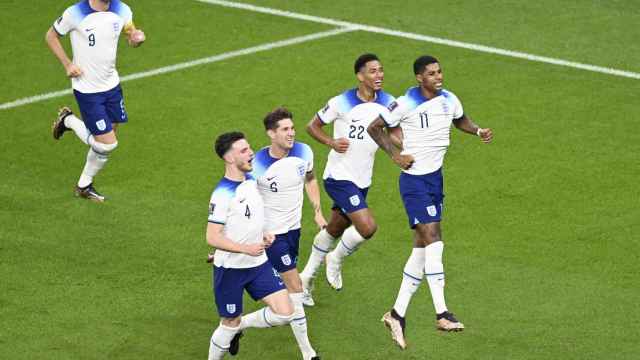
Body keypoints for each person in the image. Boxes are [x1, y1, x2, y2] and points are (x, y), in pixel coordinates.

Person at [368, 55, 493, 349]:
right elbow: (375, 127)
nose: (439, 76)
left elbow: (459, 118)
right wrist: (395, 155)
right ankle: (441, 312)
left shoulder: (449, 99)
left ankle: (396, 315)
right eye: (432, 73)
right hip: (414, 182)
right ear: (419, 78)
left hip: (435, 180)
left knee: (422, 249)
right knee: (434, 240)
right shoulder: (404, 103)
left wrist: (477, 131)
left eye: (440, 71)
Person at [299, 54, 399, 303]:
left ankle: (305, 278)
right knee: (367, 227)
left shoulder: (389, 102)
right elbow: (312, 126)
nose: (379, 75)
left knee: (334, 228)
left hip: (362, 180)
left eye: (381, 70)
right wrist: (331, 142)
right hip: (339, 177)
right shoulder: (342, 102)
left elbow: (396, 132)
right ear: (360, 76)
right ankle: (335, 259)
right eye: (373, 71)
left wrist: (406, 146)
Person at [206, 132, 295, 360]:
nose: (251, 153)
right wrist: (244, 248)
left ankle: (240, 325)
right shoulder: (222, 194)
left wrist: (264, 234)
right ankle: (231, 331)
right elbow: (212, 237)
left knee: (285, 313)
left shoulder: (251, 182)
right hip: (231, 270)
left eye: (249, 148)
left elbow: (251, 217)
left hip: (258, 263)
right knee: (228, 322)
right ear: (229, 158)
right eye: (244, 151)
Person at [46, 0, 146, 202]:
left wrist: (135, 38)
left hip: (112, 85)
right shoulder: (75, 12)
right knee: (108, 144)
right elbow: (51, 36)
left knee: (108, 135)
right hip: (87, 89)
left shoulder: (122, 9)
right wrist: (67, 64)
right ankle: (69, 121)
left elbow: (129, 33)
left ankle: (83, 185)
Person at [247, 107, 325, 360]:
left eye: (292, 128)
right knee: (296, 286)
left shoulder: (304, 152)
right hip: (272, 236)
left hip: (294, 231)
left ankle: (236, 326)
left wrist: (317, 211)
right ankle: (308, 353)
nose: (291, 133)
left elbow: (311, 180)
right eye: (285, 129)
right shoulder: (256, 164)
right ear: (271, 134)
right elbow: (242, 202)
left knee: (287, 296)